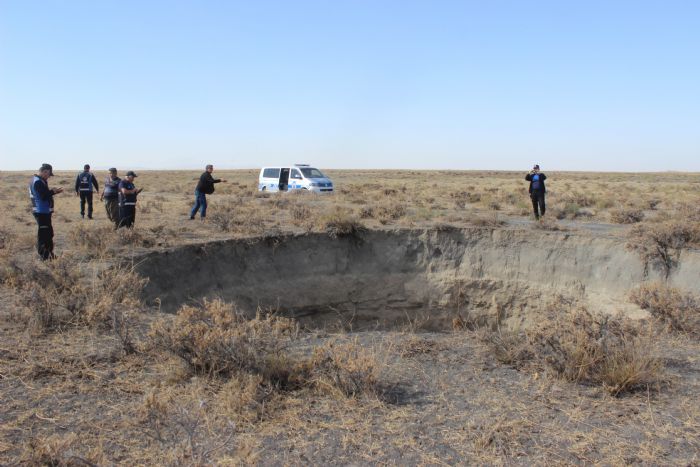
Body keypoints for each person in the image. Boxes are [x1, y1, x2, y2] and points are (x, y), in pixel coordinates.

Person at [29, 163, 63, 260]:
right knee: (44, 235)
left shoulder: (39, 180)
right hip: (41, 212)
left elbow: (44, 194)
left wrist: (52, 192)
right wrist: (54, 192)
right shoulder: (38, 182)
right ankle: (44, 256)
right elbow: (43, 196)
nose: (49, 177)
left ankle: (49, 254)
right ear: (44, 172)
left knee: (49, 233)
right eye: (48, 174)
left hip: (43, 211)